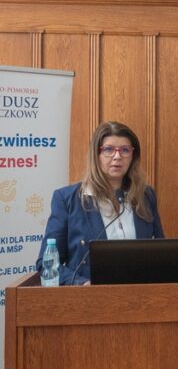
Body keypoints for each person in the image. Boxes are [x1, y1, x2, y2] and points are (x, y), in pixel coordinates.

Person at [37, 121, 165, 285]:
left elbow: (160, 253)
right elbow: (46, 264)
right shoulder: (67, 199)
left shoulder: (145, 196)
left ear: (133, 156)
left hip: (140, 297)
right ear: (96, 155)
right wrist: (81, 283)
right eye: (109, 149)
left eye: (125, 150)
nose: (117, 156)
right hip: (89, 300)